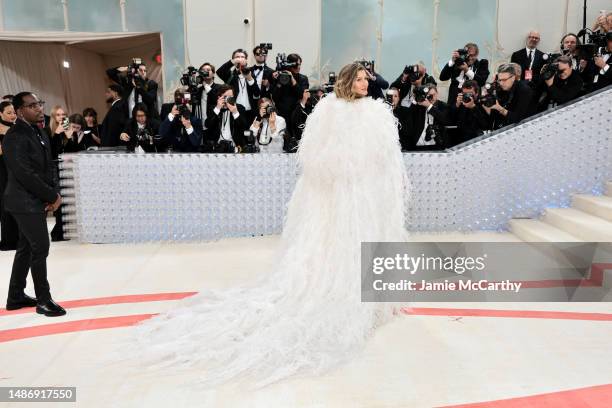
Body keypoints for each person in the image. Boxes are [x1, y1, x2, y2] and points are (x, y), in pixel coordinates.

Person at [121, 62, 409, 387]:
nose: (364, 83)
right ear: (346, 81)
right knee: (330, 251)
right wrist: (339, 165)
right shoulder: (328, 110)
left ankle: (368, 299)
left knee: (361, 242)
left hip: (362, 197)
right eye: (357, 79)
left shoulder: (376, 114)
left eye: (365, 79)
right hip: (332, 197)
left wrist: (364, 172)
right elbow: (312, 153)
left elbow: (385, 158)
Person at [3, 92, 65, 317]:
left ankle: (16, 296)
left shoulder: (37, 130)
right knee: (40, 247)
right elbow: (24, 174)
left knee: (26, 247)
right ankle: (44, 300)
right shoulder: (15, 136)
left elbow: (45, 167)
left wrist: (50, 194)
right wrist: (51, 195)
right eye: (32, 106)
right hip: (23, 201)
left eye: (39, 103)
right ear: (19, 112)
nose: (38, 108)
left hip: (33, 199)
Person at [0, 101, 19, 250]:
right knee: (5, 204)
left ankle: (20, 238)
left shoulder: (17, 128)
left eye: (13, 112)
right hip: (2, 170)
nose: (13, 115)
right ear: (0, 113)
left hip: (16, 169)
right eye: (9, 113)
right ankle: (9, 239)